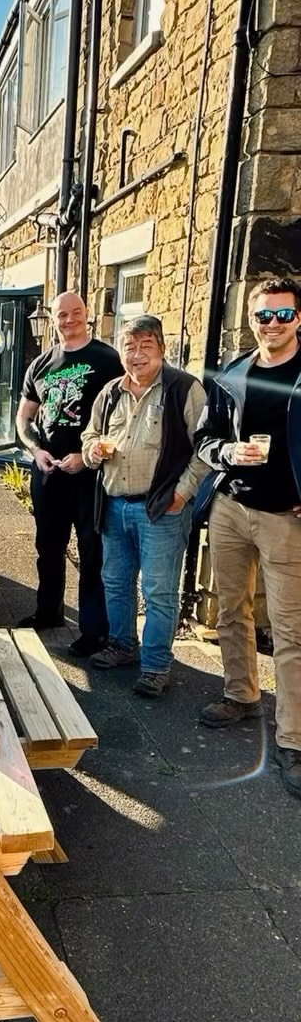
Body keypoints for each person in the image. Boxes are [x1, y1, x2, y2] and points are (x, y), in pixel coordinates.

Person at [194, 278, 301, 797]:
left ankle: (294, 740)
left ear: (298, 319)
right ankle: (240, 693)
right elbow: (204, 437)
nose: (272, 325)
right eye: (264, 316)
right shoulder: (234, 373)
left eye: (283, 315)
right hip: (232, 508)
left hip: (287, 518)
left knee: (289, 630)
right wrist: (226, 455)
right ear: (252, 318)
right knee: (230, 610)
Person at [81, 314, 207, 697]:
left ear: (161, 349)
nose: (136, 355)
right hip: (115, 506)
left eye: (145, 347)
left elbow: (204, 448)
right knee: (116, 584)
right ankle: (122, 646)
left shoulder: (183, 389)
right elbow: (90, 435)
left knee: (158, 591)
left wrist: (182, 494)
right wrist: (91, 451)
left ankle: (155, 666)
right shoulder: (110, 392)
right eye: (129, 347)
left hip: (161, 510)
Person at [16, 291, 122, 651]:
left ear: (87, 314)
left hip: (91, 474)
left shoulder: (109, 360)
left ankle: (94, 630)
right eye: (61, 315)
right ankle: (48, 612)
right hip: (48, 472)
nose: (69, 320)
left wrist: (87, 455)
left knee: (92, 550)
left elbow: (123, 420)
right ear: (53, 318)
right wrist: (35, 449)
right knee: (48, 545)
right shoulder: (41, 365)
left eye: (76, 313)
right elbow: (24, 417)